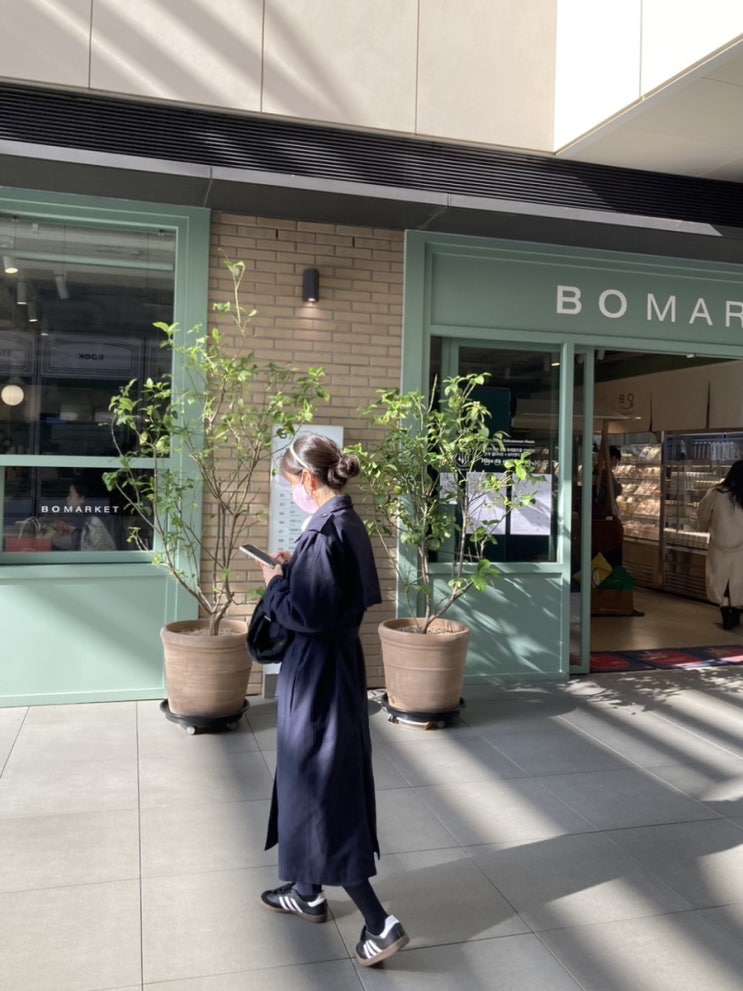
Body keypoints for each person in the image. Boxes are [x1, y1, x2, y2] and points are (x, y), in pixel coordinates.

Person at [250, 433, 409, 967]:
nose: (291, 491)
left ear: (307, 479)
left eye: (290, 482)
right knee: (311, 777)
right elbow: (334, 594)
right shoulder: (343, 522)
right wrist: (293, 567)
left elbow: (308, 614)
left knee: (320, 785)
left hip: (318, 673)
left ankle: (379, 923)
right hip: (333, 668)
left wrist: (275, 582)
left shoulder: (324, 530)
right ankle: (306, 890)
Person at [697, 459, 743, 629]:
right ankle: (736, 613)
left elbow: (702, 513)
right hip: (741, 548)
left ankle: (725, 613)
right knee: (739, 580)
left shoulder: (716, 493)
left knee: (720, 579)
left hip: (719, 544)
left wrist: (705, 527)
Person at [50, 476, 116, 551]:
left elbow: (89, 552)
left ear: (82, 499)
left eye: (71, 495)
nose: (67, 498)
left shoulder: (94, 523)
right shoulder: (84, 521)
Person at [594, 445, 623, 519]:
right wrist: (619, 486)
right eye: (617, 460)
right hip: (605, 509)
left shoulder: (599, 471)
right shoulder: (606, 473)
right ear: (613, 458)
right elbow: (617, 490)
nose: (616, 463)